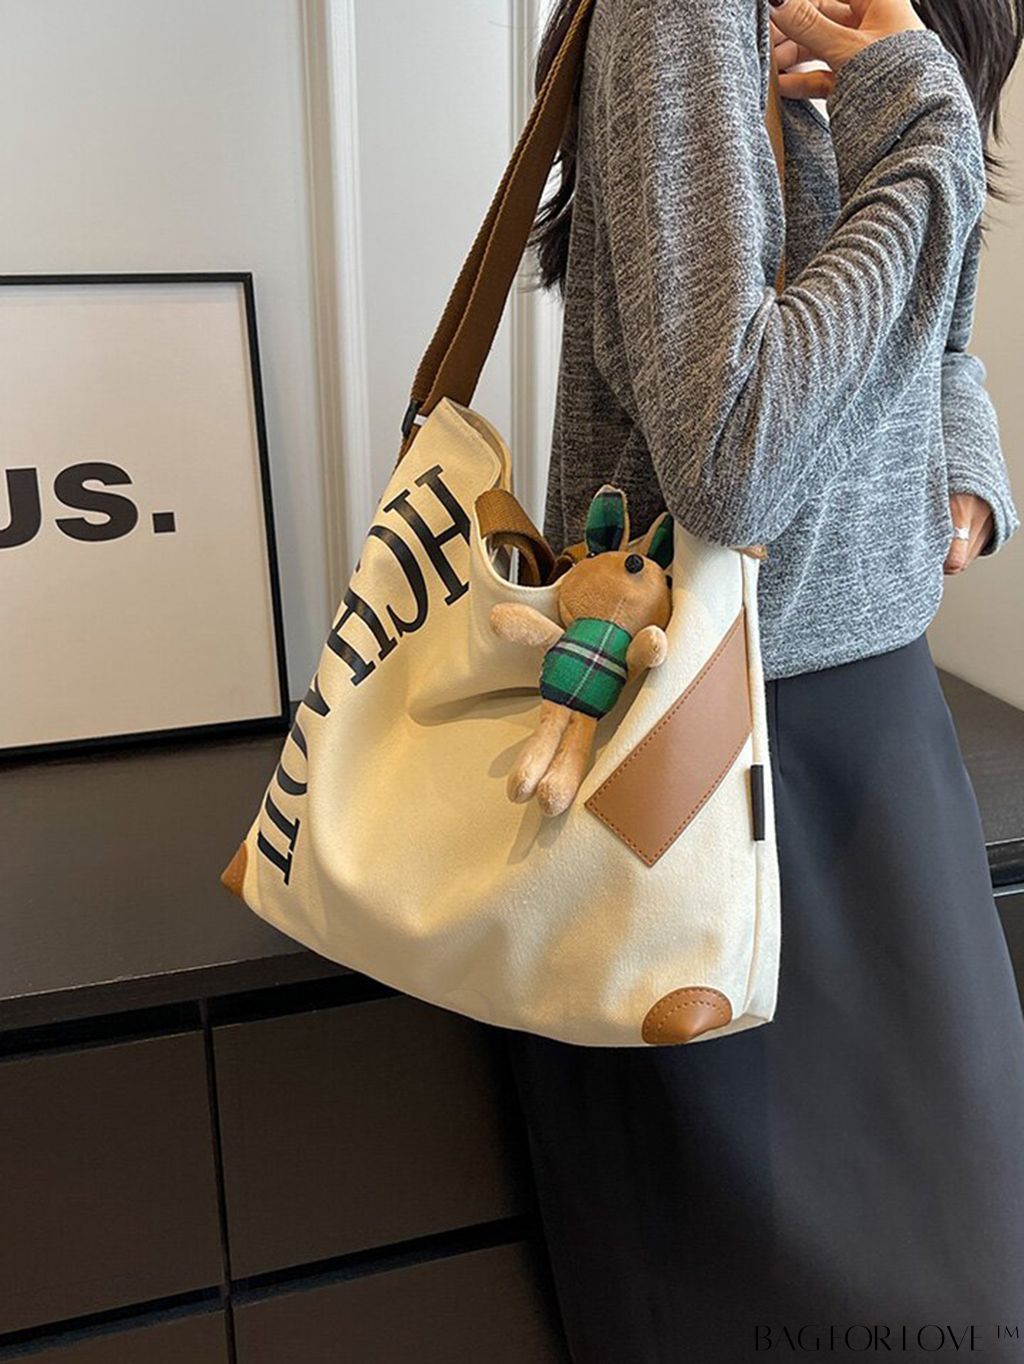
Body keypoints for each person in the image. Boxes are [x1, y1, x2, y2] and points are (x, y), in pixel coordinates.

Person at [501, 0, 1024, 1358]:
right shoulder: (683, 14)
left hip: (878, 724)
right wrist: (926, 119)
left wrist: (963, 465)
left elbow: (927, 321)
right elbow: (733, 458)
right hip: (708, 749)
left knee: (961, 1280)